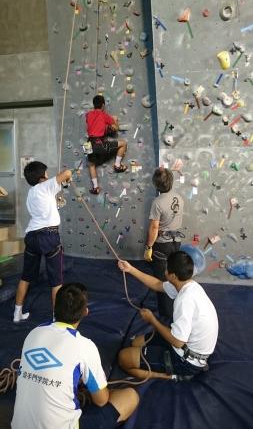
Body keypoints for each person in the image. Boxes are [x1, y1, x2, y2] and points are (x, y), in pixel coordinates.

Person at [11, 283, 139, 429]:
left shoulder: (33, 333)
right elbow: (101, 400)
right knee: (130, 396)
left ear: (54, 307)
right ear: (85, 312)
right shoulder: (84, 346)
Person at [118, 251, 219, 380]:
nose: (164, 271)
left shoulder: (184, 300)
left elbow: (177, 342)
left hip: (188, 361)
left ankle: (173, 376)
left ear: (172, 275)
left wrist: (152, 320)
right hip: (188, 345)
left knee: (123, 358)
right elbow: (157, 285)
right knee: (135, 343)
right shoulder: (188, 284)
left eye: (167, 268)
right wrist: (130, 269)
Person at [13, 161, 72, 323]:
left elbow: (58, 185)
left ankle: (17, 314)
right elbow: (67, 173)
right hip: (48, 236)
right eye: (45, 174)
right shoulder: (45, 187)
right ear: (41, 178)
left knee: (26, 277)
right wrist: (66, 176)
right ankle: (56, 319)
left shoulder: (32, 193)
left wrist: (62, 183)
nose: (47, 175)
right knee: (56, 282)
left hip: (32, 237)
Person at [144, 167, 184, 318]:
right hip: (176, 242)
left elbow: (154, 227)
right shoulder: (179, 198)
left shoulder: (158, 202)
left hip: (162, 244)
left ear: (156, 184)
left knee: (162, 280)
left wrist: (148, 247)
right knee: (174, 276)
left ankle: (165, 315)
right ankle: (176, 306)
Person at [86, 95, 127, 194]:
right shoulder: (104, 115)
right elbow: (116, 128)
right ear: (103, 105)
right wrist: (114, 121)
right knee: (123, 144)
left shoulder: (88, 114)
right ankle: (117, 165)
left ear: (94, 104)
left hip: (88, 143)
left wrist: (104, 127)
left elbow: (94, 126)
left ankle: (96, 188)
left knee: (91, 165)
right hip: (98, 142)